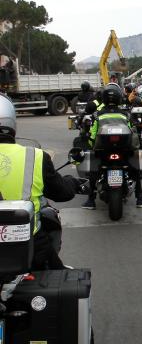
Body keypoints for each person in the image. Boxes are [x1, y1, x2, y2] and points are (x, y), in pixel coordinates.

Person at [0, 93, 81, 269]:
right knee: (62, 282)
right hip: (30, 246)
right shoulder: (35, 157)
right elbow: (62, 193)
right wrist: (73, 183)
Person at [82, 83, 142, 209]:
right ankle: (140, 198)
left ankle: (90, 200)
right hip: (124, 150)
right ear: (119, 98)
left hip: (103, 151)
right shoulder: (125, 115)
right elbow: (132, 132)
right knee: (135, 168)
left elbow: (92, 135)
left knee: (93, 171)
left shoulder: (98, 115)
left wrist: (91, 146)